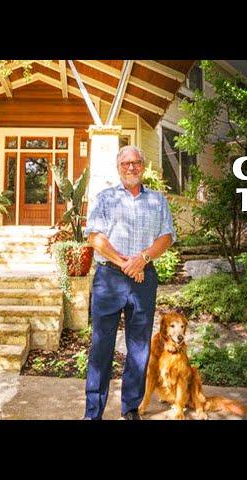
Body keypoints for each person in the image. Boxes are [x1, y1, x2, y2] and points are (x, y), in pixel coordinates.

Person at [83, 145, 176, 420]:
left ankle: (130, 408)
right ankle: (92, 413)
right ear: (118, 167)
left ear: (143, 166)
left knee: (139, 348)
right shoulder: (104, 199)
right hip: (109, 278)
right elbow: (94, 237)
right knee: (101, 346)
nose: (131, 167)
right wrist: (126, 264)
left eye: (136, 163)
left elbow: (167, 237)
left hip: (143, 279)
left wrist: (142, 260)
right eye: (126, 164)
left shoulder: (158, 201)